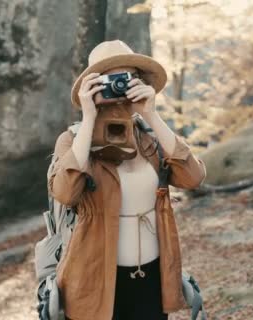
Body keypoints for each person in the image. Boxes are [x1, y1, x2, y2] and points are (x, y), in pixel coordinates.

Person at [49, 40, 206, 320]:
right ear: (92, 86)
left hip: (152, 280)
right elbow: (65, 193)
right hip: (93, 282)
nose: (120, 88)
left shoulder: (150, 138)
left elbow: (193, 178)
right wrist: (88, 118)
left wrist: (151, 114)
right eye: (111, 80)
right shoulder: (73, 140)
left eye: (128, 78)